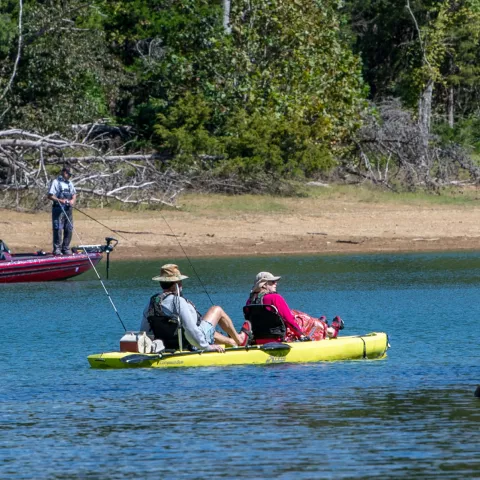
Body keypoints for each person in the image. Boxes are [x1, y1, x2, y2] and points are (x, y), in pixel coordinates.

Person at [140, 264, 252, 352]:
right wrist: (208, 347)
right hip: (190, 343)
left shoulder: (152, 302)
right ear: (178, 284)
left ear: (161, 283)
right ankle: (240, 340)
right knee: (216, 310)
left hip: (166, 344)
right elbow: (192, 330)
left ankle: (232, 342)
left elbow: (144, 331)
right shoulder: (179, 302)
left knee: (204, 325)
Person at [246, 271, 344, 343]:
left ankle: (321, 323)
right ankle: (329, 328)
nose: (276, 283)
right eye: (272, 282)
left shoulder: (249, 301)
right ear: (264, 285)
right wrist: (300, 335)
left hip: (259, 339)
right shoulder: (275, 298)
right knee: (300, 318)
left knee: (295, 313)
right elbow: (289, 320)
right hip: (280, 338)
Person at [47, 166, 77, 255]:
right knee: (58, 229)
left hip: (68, 210)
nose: (69, 176)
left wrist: (72, 201)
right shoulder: (56, 182)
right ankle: (57, 249)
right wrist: (60, 200)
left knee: (69, 228)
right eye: (68, 174)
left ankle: (66, 248)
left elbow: (74, 194)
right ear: (64, 172)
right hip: (58, 209)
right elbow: (50, 195)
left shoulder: (69, 183)